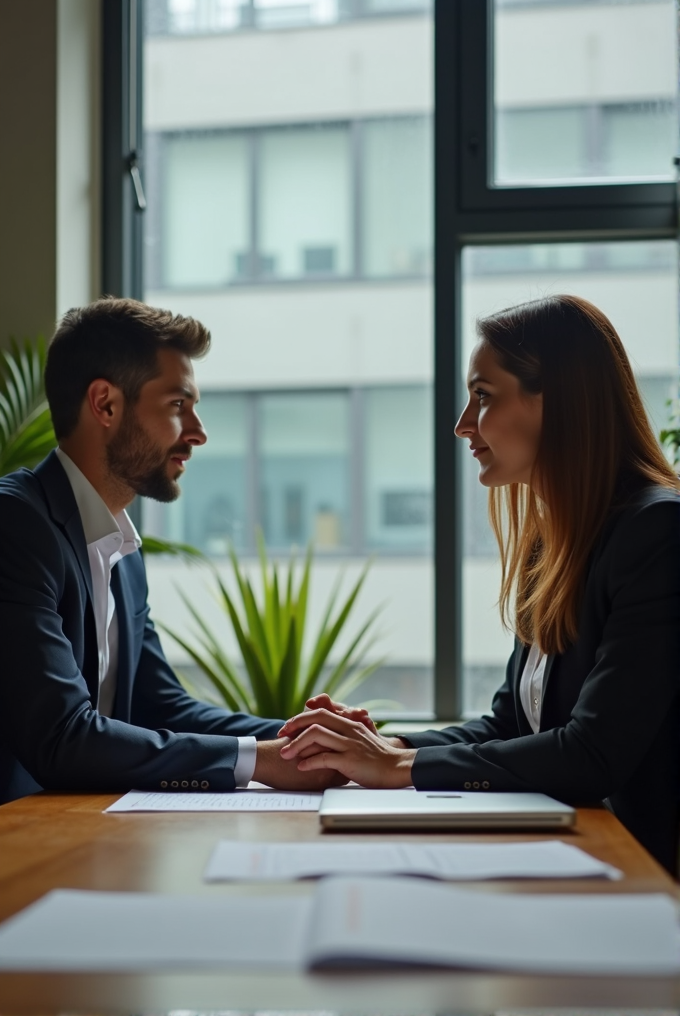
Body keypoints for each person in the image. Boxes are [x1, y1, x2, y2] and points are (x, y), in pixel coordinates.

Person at [278, 295, 680, 873]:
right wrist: (387, 746)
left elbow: (592, 754)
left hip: (634, 877)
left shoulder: (656, 533)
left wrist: (395, 769)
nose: (463, 424)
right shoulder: (555, 540)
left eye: (484, 397)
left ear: (558, 402)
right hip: (564, 858)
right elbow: (512, 727)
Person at [0, 297, 356, 804]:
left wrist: (306, 736)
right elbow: (61, 737)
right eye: (177, 405)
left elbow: (160, 707)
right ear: (105, 404)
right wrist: (261, 761)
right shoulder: (15, 526)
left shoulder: (120, 548)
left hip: (82, 832)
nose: (198, 432)